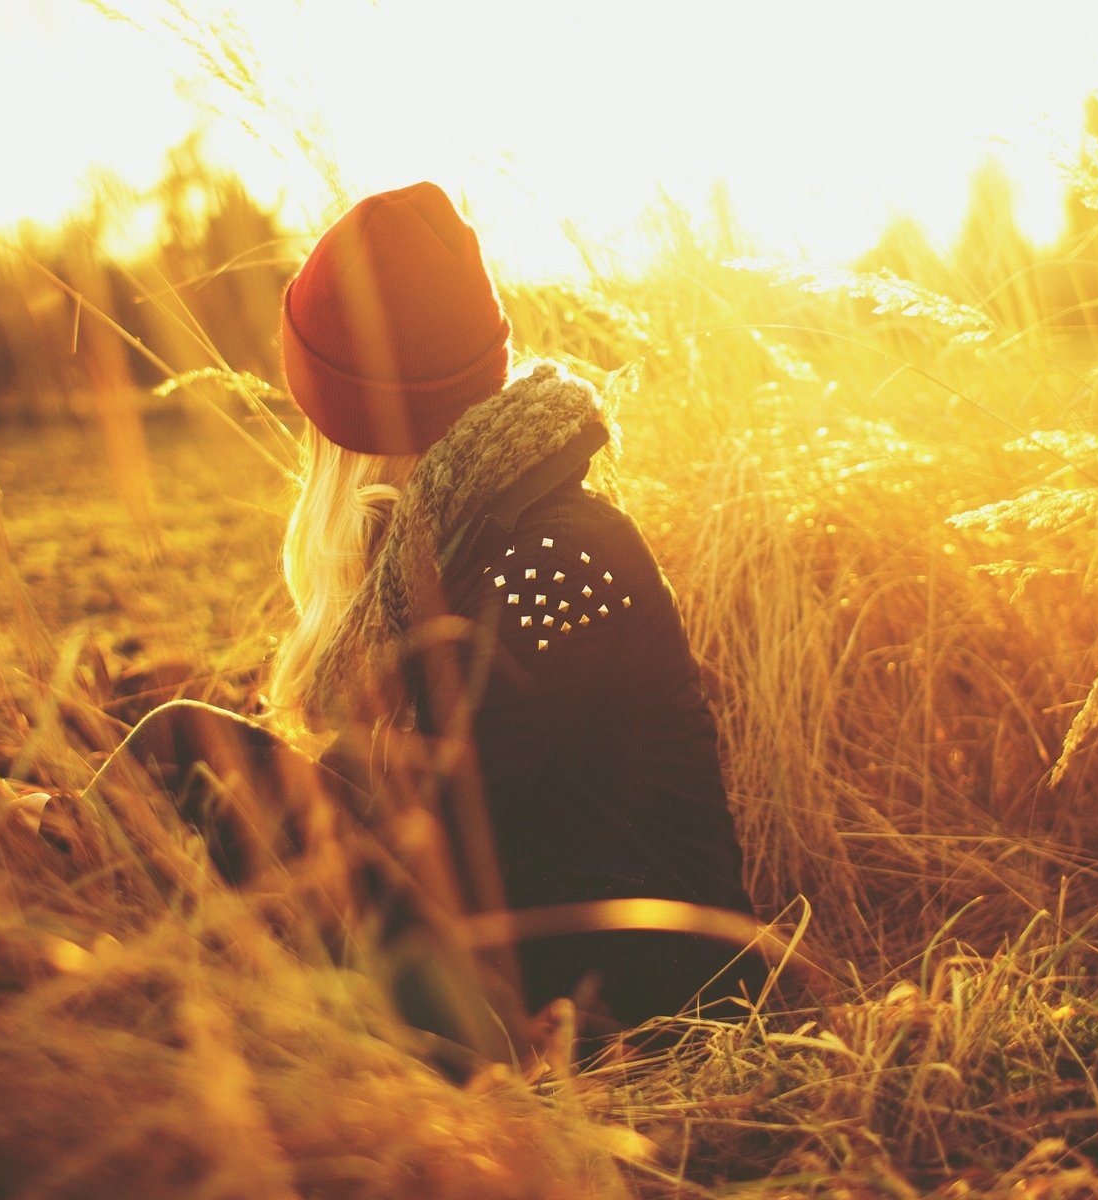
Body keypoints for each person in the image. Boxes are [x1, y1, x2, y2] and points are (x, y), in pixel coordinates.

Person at [55, 182, 763, 1058]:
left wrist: (239, 812)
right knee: (168, 758)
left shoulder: (558, 557)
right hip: (524, 951)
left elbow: (431, 842)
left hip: (638, 1002)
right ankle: (50, 887)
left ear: (349, 419)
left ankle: (46, 916)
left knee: (189, 750)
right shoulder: (462, 534)